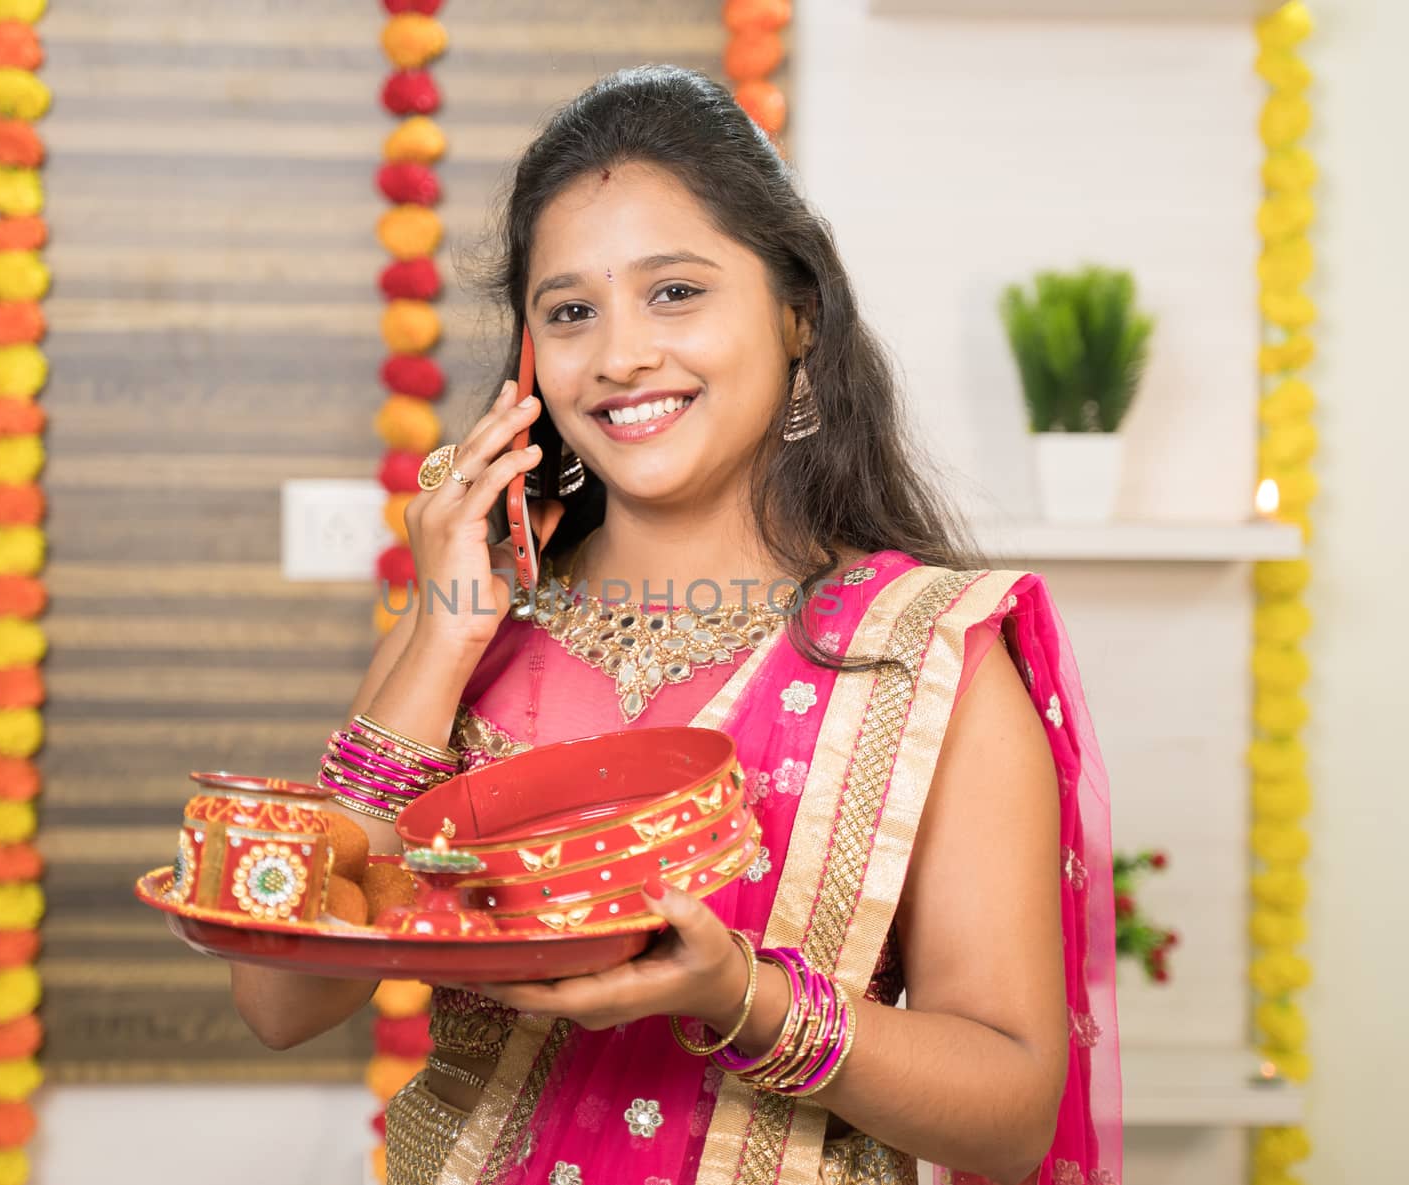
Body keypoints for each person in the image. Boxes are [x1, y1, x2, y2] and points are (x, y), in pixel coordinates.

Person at [230, 65, 1119, 1185]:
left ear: (798, 315)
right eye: (569, 312)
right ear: (528, 367)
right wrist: (442, 640)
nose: (618, 356)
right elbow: (278, 1000)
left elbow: (1009, 1117)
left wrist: (741, 997)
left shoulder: (925, 651)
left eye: (676, 292)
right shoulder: (470, 630)